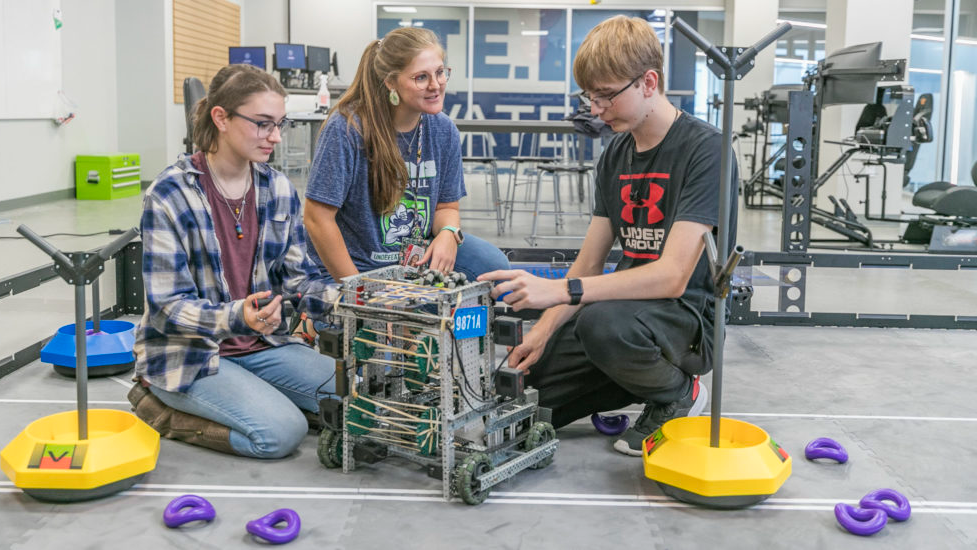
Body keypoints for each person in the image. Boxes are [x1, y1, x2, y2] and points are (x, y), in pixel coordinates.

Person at [478, 15, 736, 456]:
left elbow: (672, 277)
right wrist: (542, 331)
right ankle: (636, 381)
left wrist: (559, 290)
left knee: (600, 322)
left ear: (648, 82)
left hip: (685, 321)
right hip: (624, 319)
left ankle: (678, 393)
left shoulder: (706, 150)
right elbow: (589, 264)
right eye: (589, 96)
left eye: (605, 96)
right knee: (527, 394)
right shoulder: (616, 152)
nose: (595, 109)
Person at [129, 64, 338, 459]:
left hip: (262, 346)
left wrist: (359, 299)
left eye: (280, 124)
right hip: (189, 353)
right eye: (262, 124)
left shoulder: (277, 189)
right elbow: (167, 308)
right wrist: (238, 317)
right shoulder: (170, 194)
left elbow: (298, 280)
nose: (275, 137)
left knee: (358, 395)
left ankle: (249, 393)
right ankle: (156, 407)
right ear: (220, 118)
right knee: (281, 433)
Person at [303, 27, 509, 283]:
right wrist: (358, 291)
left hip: (414, 260)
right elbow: (317, 219)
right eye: (421, 77)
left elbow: (447, 206)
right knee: (379, 319)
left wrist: (448, 232)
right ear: (390, 82)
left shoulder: (444, 130)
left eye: (440, 72)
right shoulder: (348, 128)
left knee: (495, 268)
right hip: (354, 265)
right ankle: (318, 319)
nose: (436, 85)